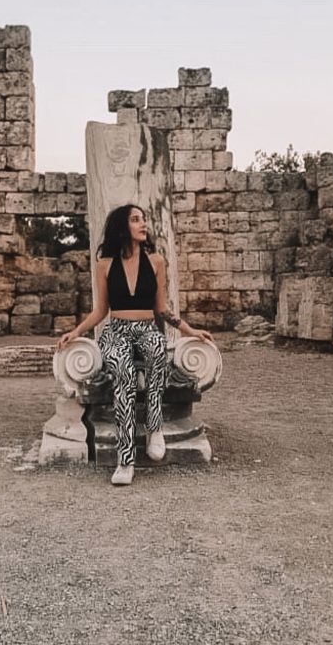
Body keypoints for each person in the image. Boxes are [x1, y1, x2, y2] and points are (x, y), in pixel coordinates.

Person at [56, 204, 214, 486]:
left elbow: (162, 309)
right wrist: (76, 332)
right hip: (115, 330)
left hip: (146, 328)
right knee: (123, 372)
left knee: (156, 351)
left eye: (144, 219)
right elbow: (100, 311)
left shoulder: (156, 262)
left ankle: (155, 428)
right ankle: (125, 458)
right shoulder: (104, 264)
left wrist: (190, 330)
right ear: (122, 226)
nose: (144, 224)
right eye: (136, 220)